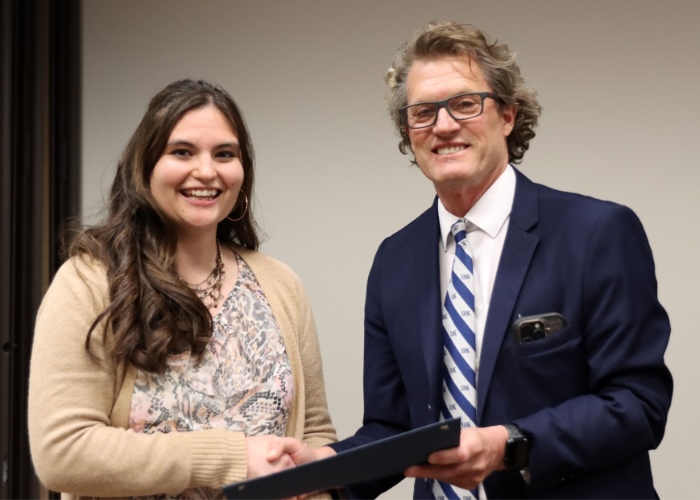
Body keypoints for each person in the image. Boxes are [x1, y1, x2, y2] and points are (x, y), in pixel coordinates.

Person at [273, 20, 672, 499]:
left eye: (465, 104)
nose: (443, 125)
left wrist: (508, 445)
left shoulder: (596, 233)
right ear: (409, 132)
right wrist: (328, 469)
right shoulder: (393, 260)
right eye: (423, 113)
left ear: (507, 115)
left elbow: (637, 404)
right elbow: (393, 428)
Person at [27, 79, 337, 499]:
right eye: (182, 152)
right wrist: (230, 458)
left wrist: (312, 479)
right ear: (146, 167)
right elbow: (62, 452)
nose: (207, 171)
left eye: (225, 154)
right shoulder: (90, 282)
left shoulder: (281, 285)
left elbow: (313, 430)